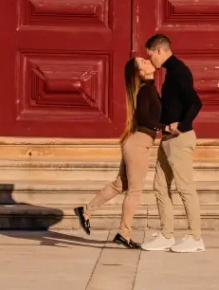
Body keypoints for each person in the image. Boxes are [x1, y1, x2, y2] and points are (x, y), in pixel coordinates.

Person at [74, 56, 160, 249]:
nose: (148, 61)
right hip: (138, 144)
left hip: (135, 142)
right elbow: (146, 117)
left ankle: (86, 211)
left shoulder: (147, 88)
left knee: (119, 184)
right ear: (140, 72)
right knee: (135, 191)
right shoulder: (145, 91)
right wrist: (166, 126)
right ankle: (124, 233)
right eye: (143, 62)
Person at [141, 33, 204, 254]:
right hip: (167, 139)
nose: (151, 60)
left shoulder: (178, 71)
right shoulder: (171, 72)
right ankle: (167, 235)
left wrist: (183, 126)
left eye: (151, 55)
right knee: (160, 186)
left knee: (185, 188)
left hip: (179, 139)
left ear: (160, 50)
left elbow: (196, 102)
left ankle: (195, 237)